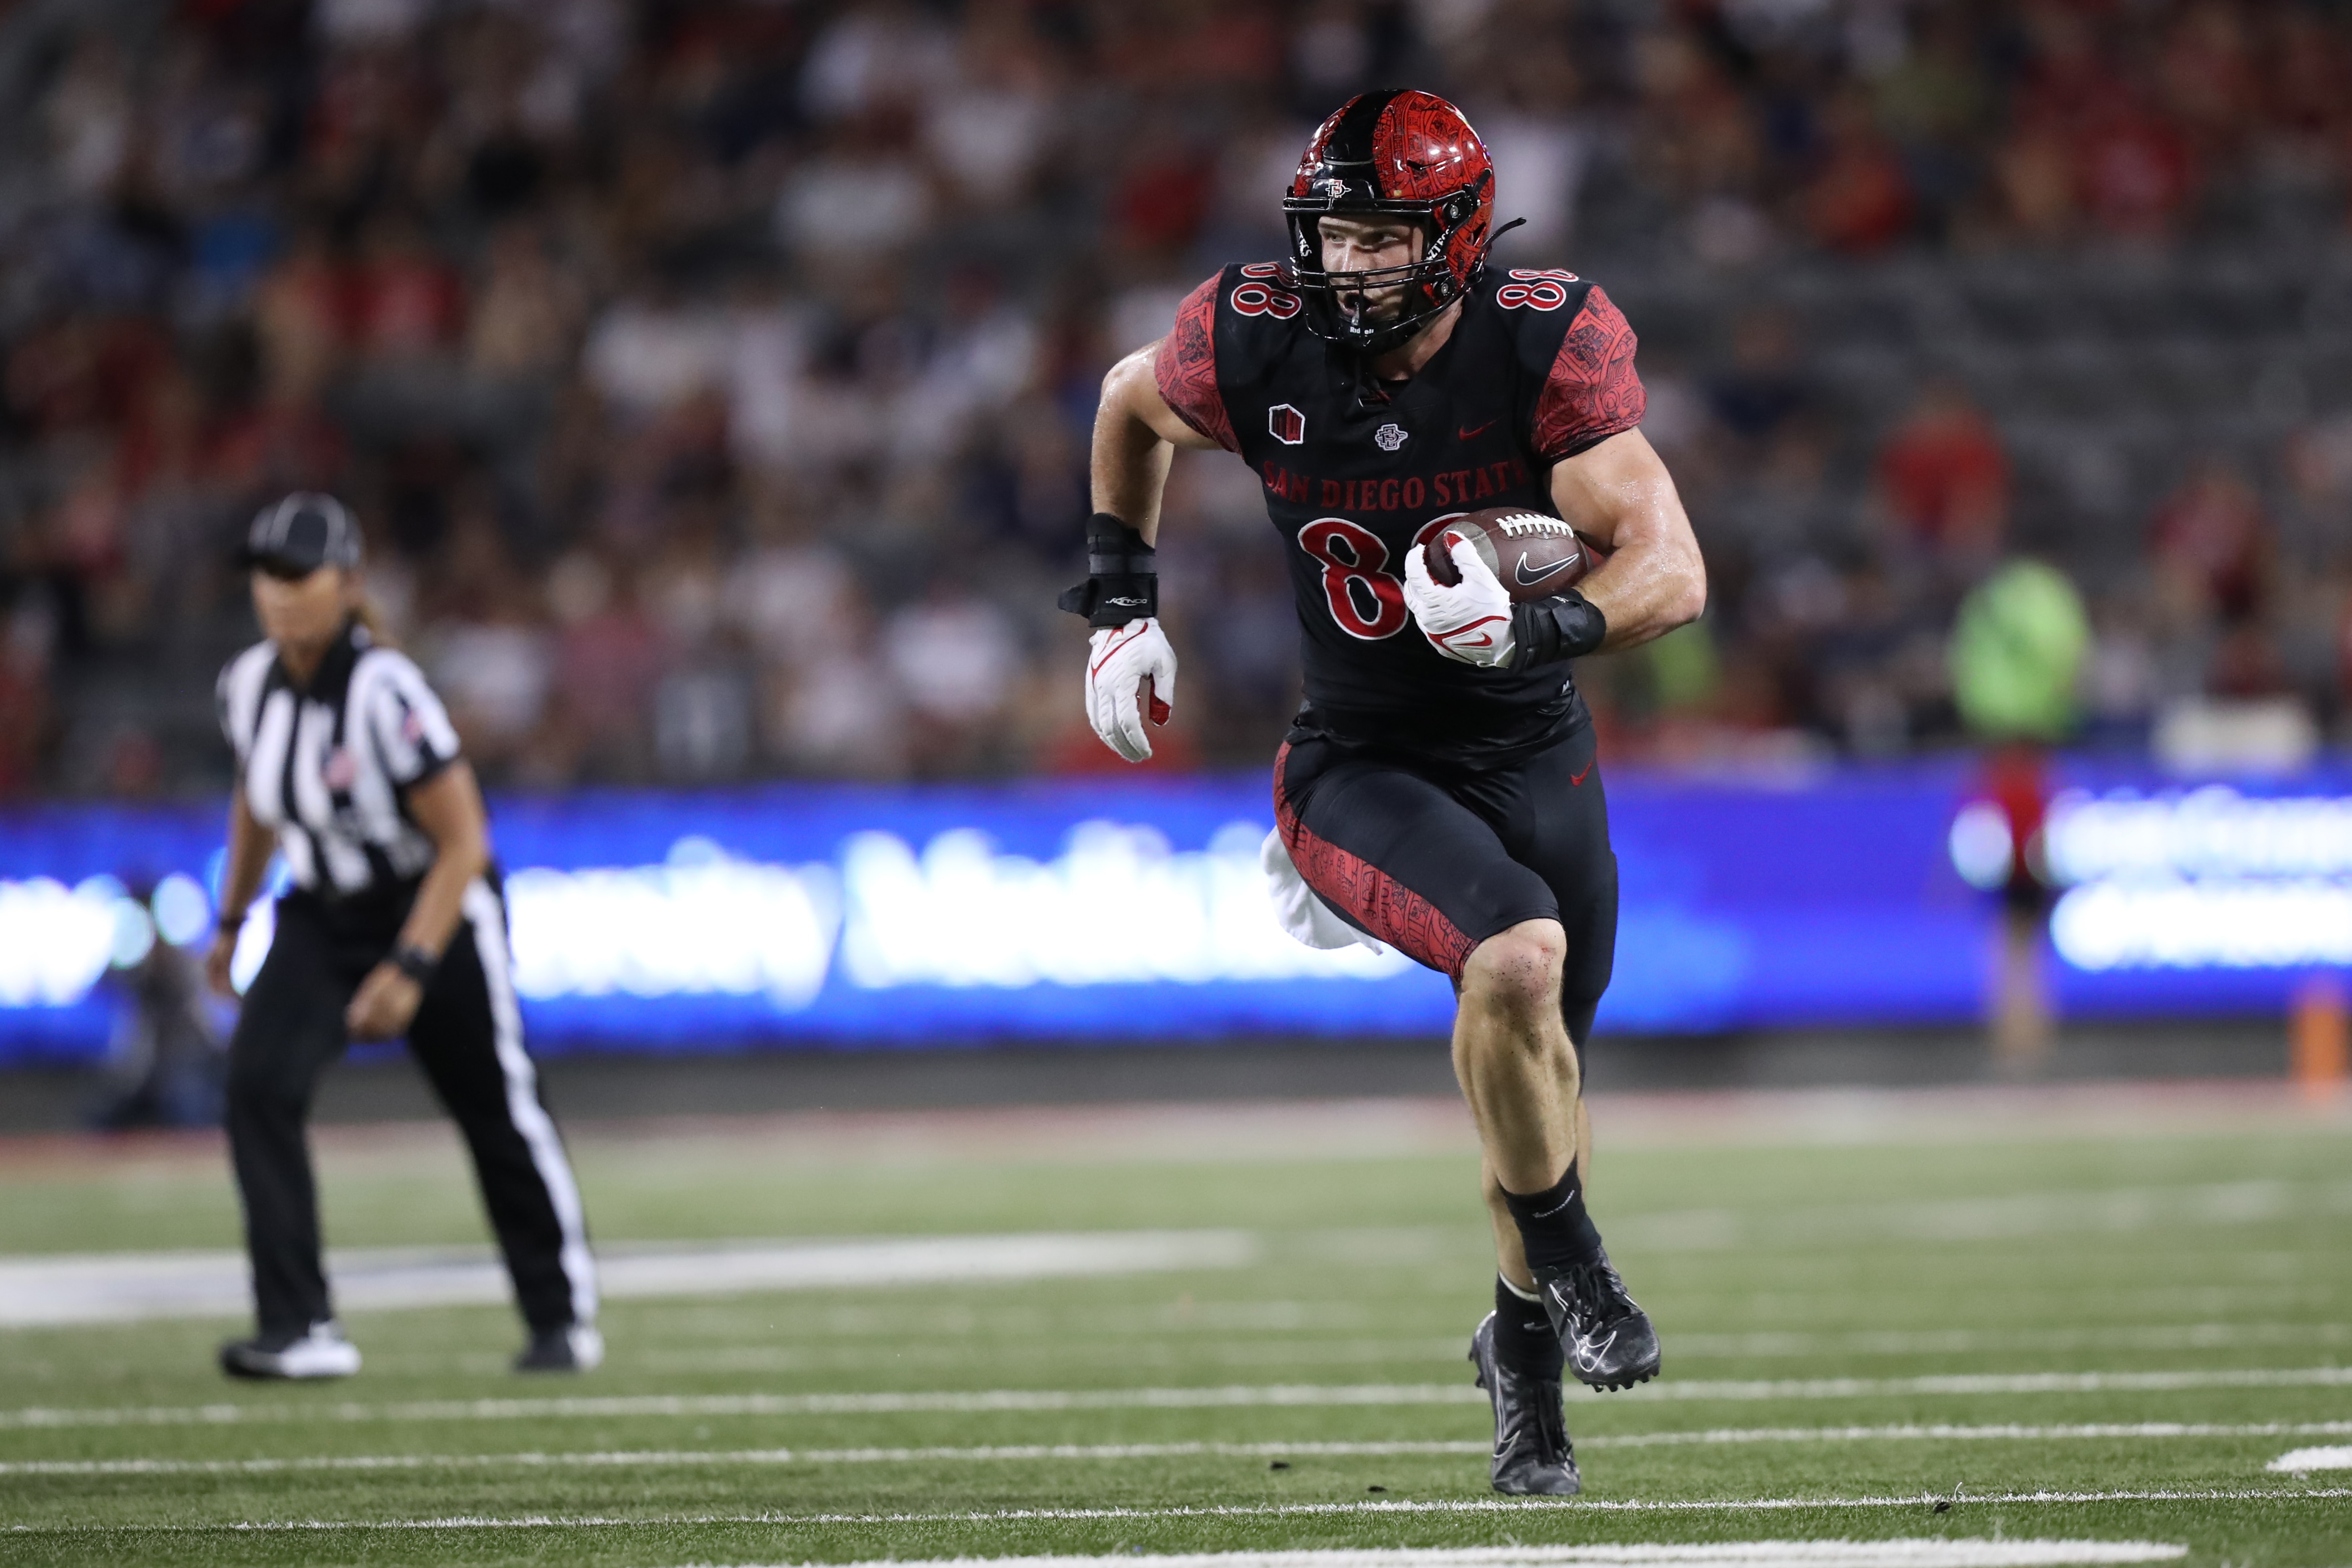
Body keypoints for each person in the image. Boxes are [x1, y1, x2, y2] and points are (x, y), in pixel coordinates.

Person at [1065, 90, 1705, 1495]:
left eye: (1379, 238)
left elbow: (1671, 566)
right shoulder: (1256, 331)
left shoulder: (1540, 341)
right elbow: (1126, 405)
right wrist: (1119, 603)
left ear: (1461, 236)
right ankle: (1581, 1267)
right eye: (1332, 235)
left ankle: (1522, 1365)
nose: (1346, 265)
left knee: (1537, 1081)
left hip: (1534, 748)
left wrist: (1546, 627)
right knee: (1517, 963)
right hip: (1358, 760)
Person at [204, 493, 600, 1379]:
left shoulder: (389, 692)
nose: (277, 594)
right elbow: (255, 805)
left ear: (347, 583)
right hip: (319, 910)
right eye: (266, 576)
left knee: (492, 1107)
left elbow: (465, 841)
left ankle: (560, 1314)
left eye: (297, 574)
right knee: (258, 1088)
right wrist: (231, 920)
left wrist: (412, 965)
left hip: (433, 908)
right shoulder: (247, 686)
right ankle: (300, 1324)